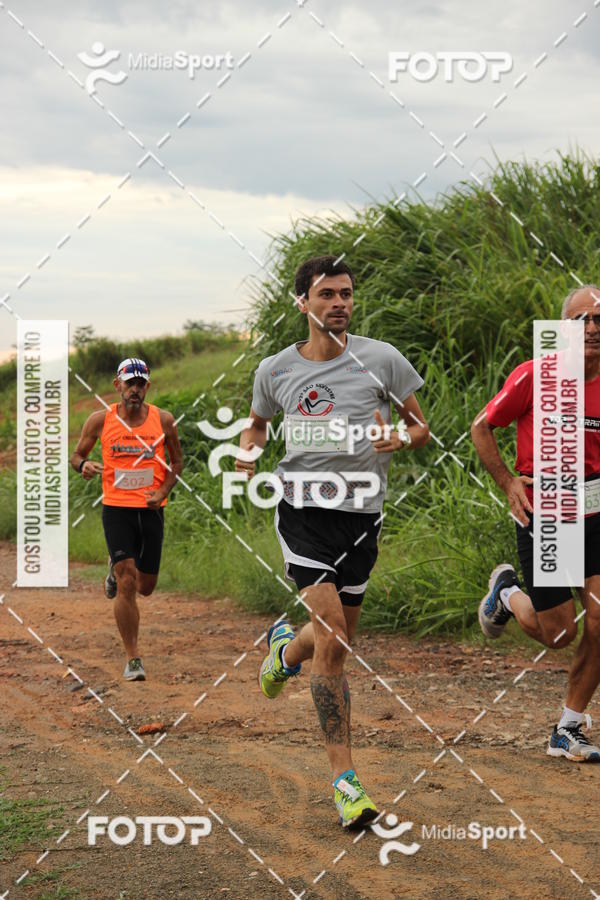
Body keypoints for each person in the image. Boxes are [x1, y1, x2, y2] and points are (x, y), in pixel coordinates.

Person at [236, 256, 430, 827]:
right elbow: (257, 422)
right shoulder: (275, 370)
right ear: (303, 303)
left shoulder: (382, 360)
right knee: (335, 637)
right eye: (326, 294)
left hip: (362, 515)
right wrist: (248, 455)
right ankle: (346, 784)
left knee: (336, 643)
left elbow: (420, 427)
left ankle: (283, 650)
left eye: (346, 293)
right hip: (303, 512)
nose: (339, 303)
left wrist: (400, 437)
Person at [472, 285, 600, 761]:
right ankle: (506, 593)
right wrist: (508, 482)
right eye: (581, 320)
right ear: (564, 329)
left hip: (598, 513)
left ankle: (568, 729)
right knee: (560, 634)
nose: (592, 329)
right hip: (551, 515)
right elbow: (482, 427)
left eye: (599, 321)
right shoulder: (536, 376)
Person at [70, 358, 183, 681]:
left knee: (146, 586)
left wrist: (162, 491)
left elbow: (177, 463)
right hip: (116, 509)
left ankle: (115, 569)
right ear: (117, 385)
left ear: (147, 387)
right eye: (129, 383)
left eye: (141, 383)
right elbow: (77, 455)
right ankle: (133, 657)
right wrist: (83, 467)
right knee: (127, 580)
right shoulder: (99, 421)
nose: (135, 389)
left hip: (150, 510)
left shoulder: (163, 421)